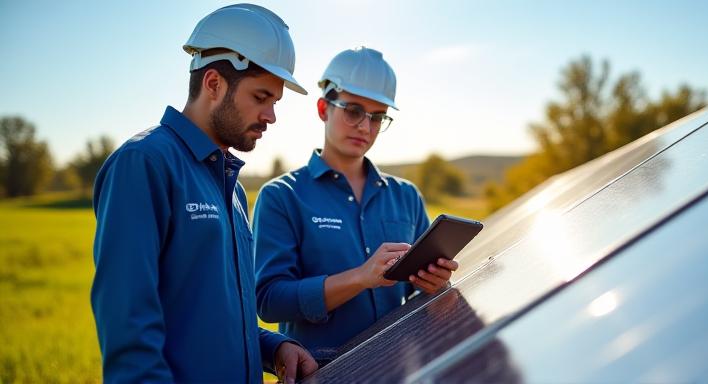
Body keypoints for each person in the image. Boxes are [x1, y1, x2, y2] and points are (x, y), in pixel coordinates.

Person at [91, 4, 317, 383]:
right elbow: (129, 331)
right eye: (261, 97)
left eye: (274, 103)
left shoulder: (232, 189)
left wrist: (273, 346)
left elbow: (210, 317)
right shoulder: (143, 164)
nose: (271, 116)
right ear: (213, 84)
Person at [252, 47, 459, 363]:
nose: (365, 126)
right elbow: (268, 300)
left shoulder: (406, 196)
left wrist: (438, 286)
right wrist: (360, 278)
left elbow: (421, 298)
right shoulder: (281, 197)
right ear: (323, 108)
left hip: (401, 370)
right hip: (320, 373)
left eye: (377, 117)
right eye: (353, 110)